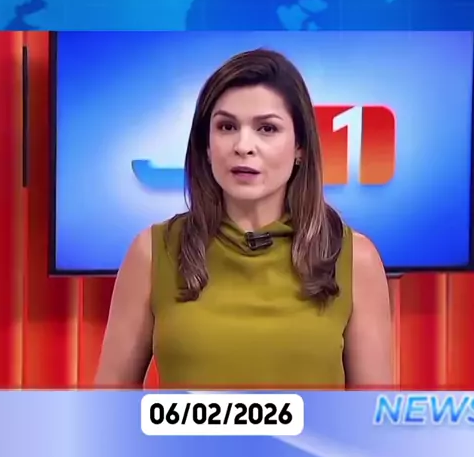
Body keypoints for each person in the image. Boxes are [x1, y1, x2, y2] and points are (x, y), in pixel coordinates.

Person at [95, 48, 393, 390]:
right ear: (206, 146)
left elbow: (370, 415)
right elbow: (108, 406)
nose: (243, 146)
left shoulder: (355, 259)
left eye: (267, 128)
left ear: (300, 146)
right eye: (226, 126)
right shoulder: (152, 252)